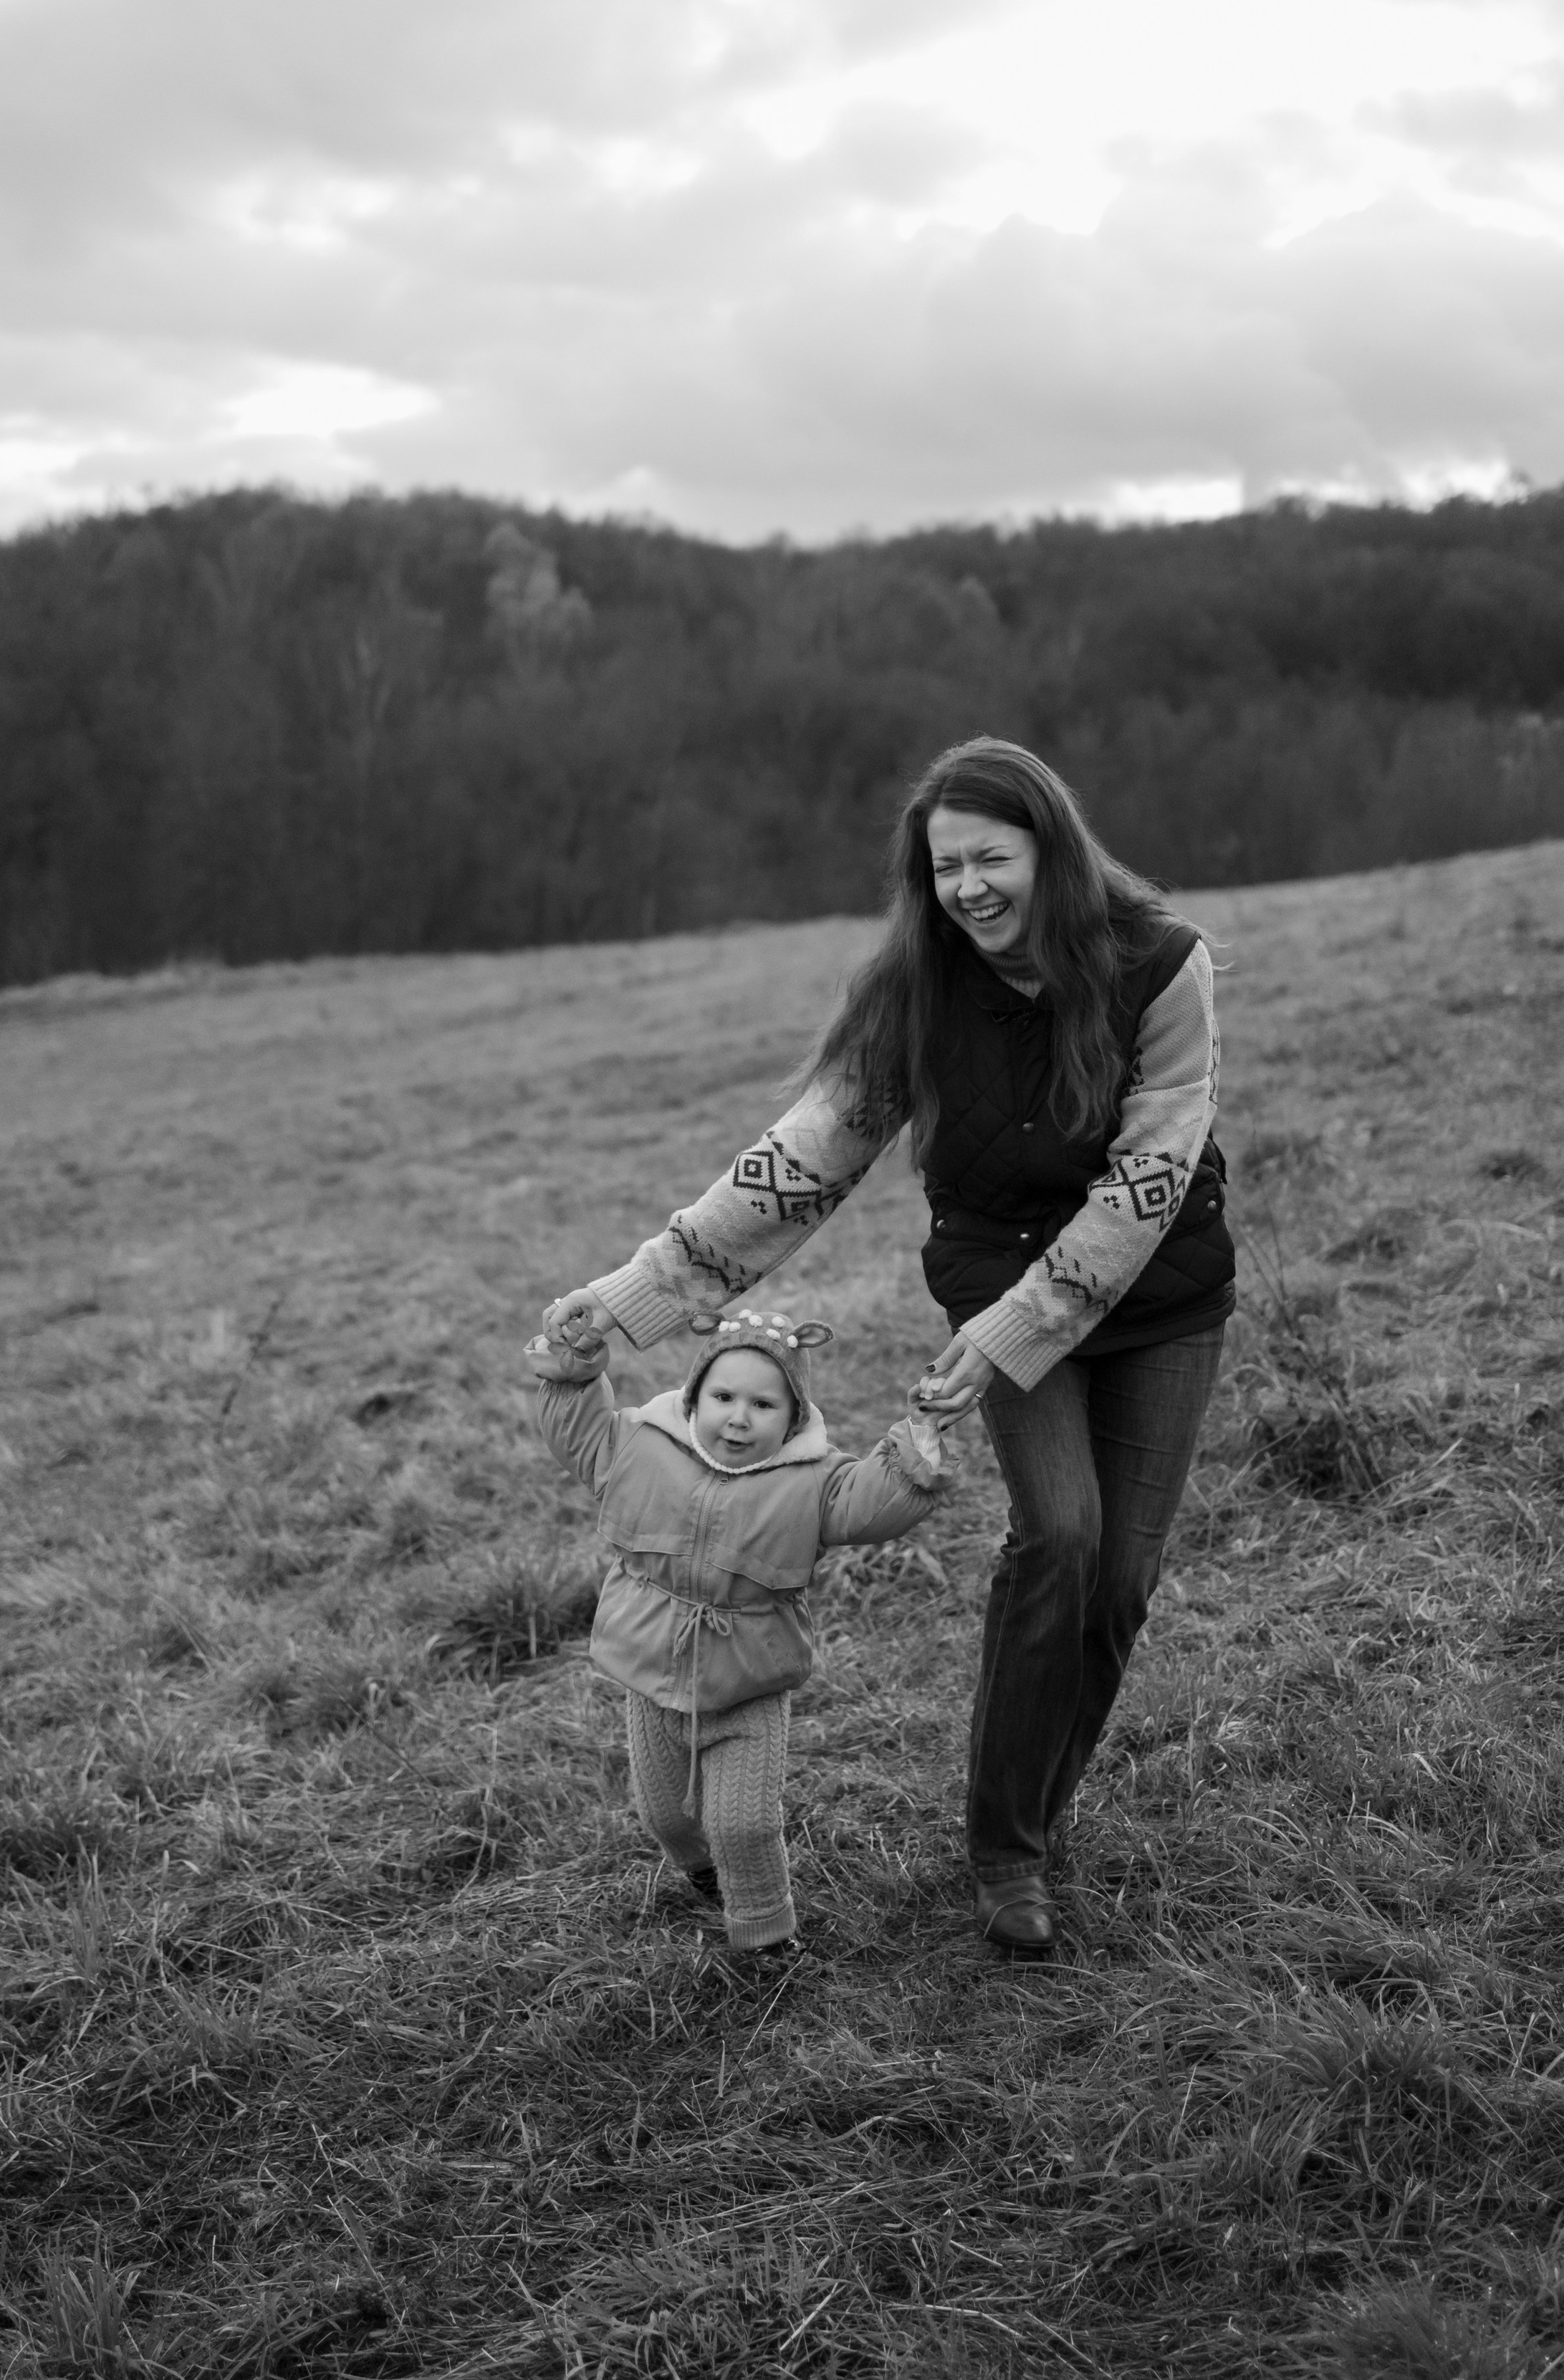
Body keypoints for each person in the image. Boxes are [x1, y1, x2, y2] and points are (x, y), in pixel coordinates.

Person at [544, 736, 1234, 1960]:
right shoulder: (916, 991)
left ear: (1049, 850)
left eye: (991, 857)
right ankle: (1005, 1851)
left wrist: (1031, 1317)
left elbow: (1151, 1174)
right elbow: (801, 1162)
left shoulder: (1160, 964)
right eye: (945, 866)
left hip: (1163, 1292)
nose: (968, 886)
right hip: (993, 1294)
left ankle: (1036, 1806)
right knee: (1060, 1536)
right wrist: (637, 1295)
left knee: (1122, 1578)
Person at [527, 1304, 959, 1957]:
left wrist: (919, 1438)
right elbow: (577, 1426)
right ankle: (700, 1870)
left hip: (750, 1681)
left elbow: (872, 1502)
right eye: (723, 1396)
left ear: (793, 1419)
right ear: (695, 1396)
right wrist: (572, 1367)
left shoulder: (813, 1481)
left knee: (744, 1824)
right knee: (665, 1816)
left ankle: (765, 1935)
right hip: (652, 1673)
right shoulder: (638, 1447)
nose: (739, 1416)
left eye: (764, 1404)